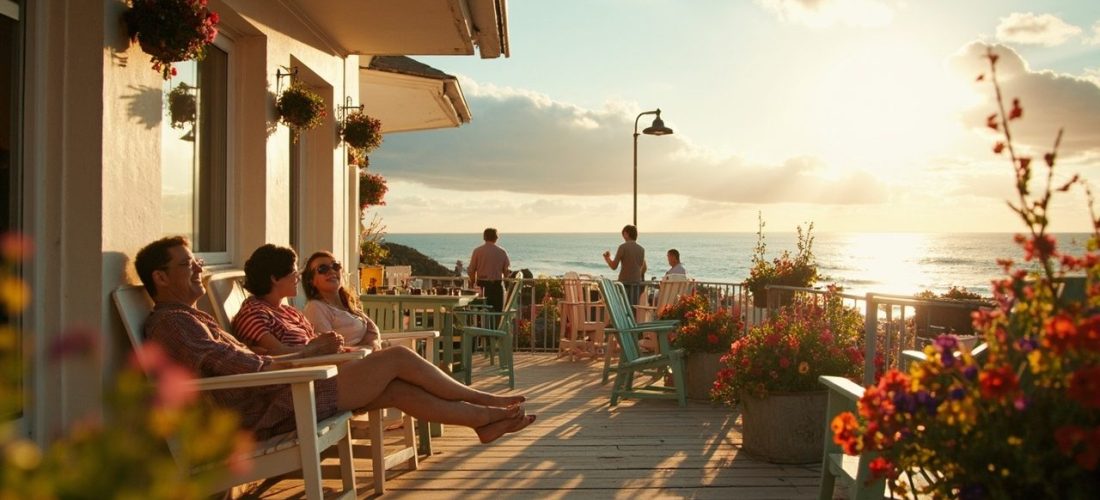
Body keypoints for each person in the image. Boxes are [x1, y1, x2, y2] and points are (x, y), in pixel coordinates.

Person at [136, 236, 534, 442]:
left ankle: (483, 421)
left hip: (287, 392)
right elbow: (244, 367)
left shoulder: (190, 318)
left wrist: (317, 355)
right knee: (395, 359)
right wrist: (311, 355)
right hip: (271, 408)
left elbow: (246, 359)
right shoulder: (173, 325)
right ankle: (485, 401)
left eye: (197, 262)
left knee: (396, 388)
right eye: (188, 264)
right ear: (160, 277)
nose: (198, 269)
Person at [231, 244, 343, 356]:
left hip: (322, 365)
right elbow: (278, 355)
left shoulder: (291, 312)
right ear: (275, 278)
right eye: (294, 273)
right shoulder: (253, 315)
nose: (298, 278)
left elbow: (315, 344)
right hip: (303, 371)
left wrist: (332, 344)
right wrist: (317, 347)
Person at [301, 251, 383, 352]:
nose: (331, 271)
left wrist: (372, 345)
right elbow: (329, 348)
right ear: (312, 281)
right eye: (323, 269)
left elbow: (372, 330)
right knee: (402, 353)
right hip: (347, 363)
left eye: (335, 266)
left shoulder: (347, 304)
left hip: (367, 355)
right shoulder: (315, 308)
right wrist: (365, 349)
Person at [603, 224, 647, 306]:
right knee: (633, 308)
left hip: (624, 283)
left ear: (626, 234)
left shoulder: (622, 247)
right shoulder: (641, 249)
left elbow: (614, 266)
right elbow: (641, 267)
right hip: (636, 283)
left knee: (622, 307)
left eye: (623, 234)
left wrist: (607, 258)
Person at [467, 228, 511, 312]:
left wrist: (473, 283)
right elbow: (506, 272)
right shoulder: (502, 252)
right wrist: (507, 285)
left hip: (482, 286)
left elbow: (471, 270)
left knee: (481, 312)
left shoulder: (477, 251)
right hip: (497, 286)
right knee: (497, 312)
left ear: (484, 237)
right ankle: (496, 325)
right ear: (496, 238)